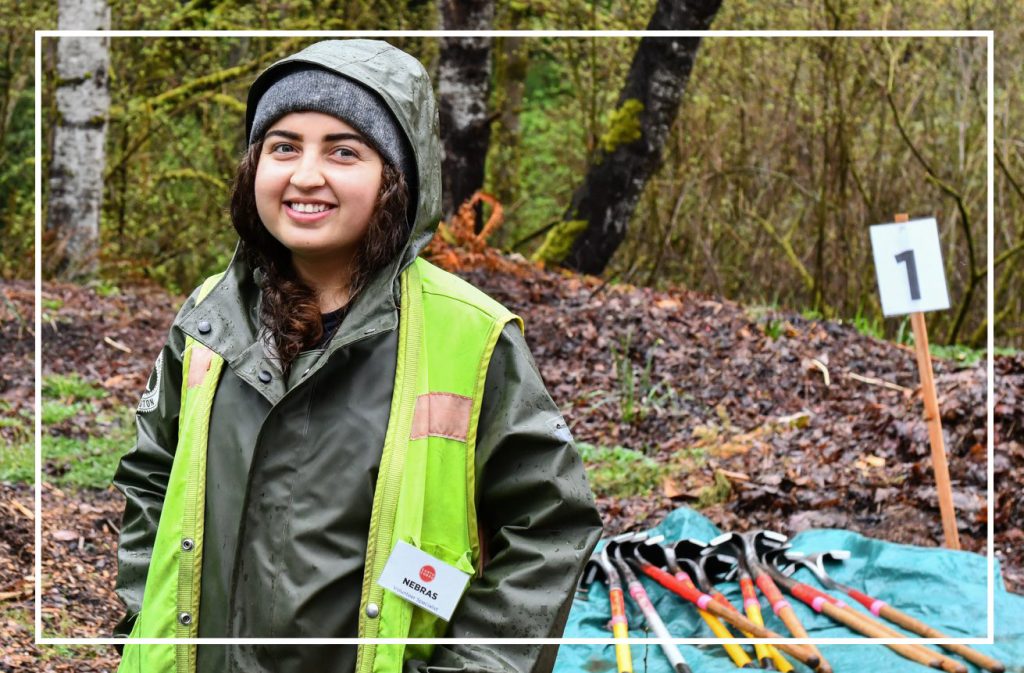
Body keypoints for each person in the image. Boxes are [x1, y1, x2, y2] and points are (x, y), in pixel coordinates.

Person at [112, 39, 603, 673]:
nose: (305, 174)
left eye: (344, 151)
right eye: (283, 146)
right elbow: (152, 481)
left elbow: (548, 527)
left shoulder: (469, 334)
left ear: (396, 180)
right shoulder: (209, 318)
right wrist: (139, 626)